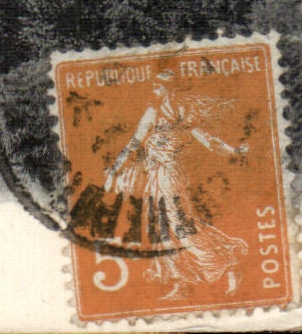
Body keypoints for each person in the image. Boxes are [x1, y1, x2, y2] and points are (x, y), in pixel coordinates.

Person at [103, 71, 250, 300]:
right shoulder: (180, 112)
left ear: (167, 89)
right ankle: (182, 283)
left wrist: (114, 170)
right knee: (161, 230)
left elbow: (134, 144)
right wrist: (233, 151)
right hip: (160, 176)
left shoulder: (161, 113)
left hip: (168, 176)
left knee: (181, 228)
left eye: (158, 88)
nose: (154, 91)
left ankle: (227, 264)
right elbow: (208, 140)